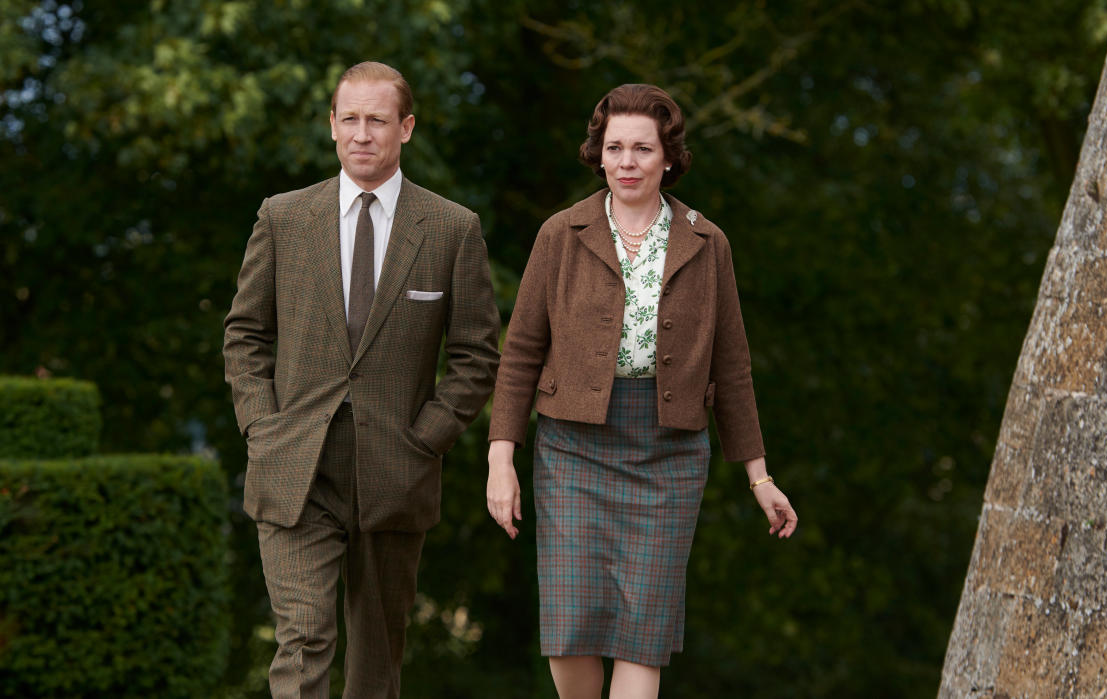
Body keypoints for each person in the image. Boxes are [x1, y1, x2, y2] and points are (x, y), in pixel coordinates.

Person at [485, 83, 797, 698]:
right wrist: (502, 459)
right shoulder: (560, 233)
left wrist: (759, 477)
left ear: (669, 158)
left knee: (642, 636)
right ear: (598, 154)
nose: (627, 162)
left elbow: (731, 365)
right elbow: (520, 351)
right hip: (572, 448)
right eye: (615, 147)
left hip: (669, 455)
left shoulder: (708, 244)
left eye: (643, 149)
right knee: (569, 632)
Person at [223, 61, 500, 699]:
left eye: (377, 120)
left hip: (395, 469)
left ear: (406, 128)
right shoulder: (283, 218)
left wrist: (425, 438)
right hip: (294, 464)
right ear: (331, 127)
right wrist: (263, 427)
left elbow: (476, 353)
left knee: (377, 661)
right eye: (349, 119)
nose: (362, 133)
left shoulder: (452, 229)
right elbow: (244, 336)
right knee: (303, 641)